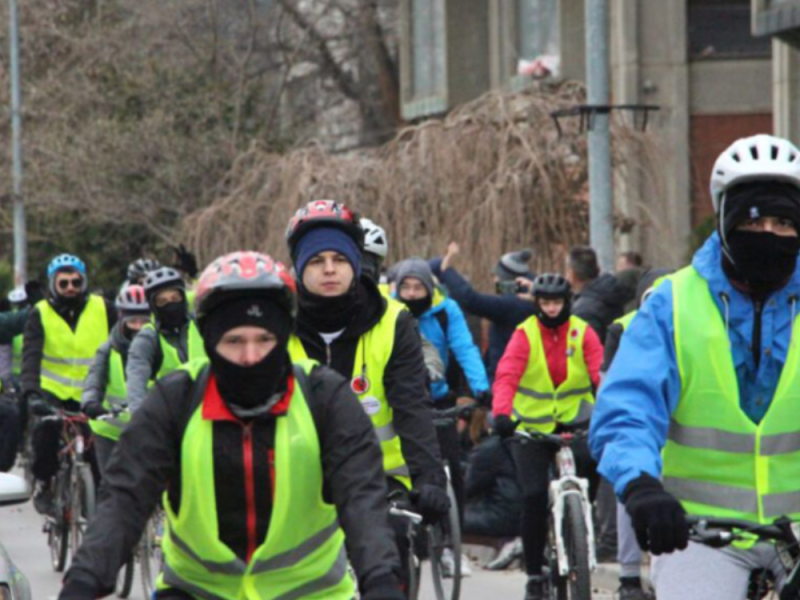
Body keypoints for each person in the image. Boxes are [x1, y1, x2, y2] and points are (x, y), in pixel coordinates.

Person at [57, 251, 405, 600]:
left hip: (308, 594)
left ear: (284, 337)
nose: (251, 356)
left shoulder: (324, 398)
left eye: (264, 340)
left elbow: (362, 497)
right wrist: (84, 579)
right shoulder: (176, 399)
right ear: (210, 341)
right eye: (234, 341)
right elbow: (125, 497)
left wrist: (381, 578)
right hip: (196, 592)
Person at [590, 134, 800, 600]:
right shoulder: (673, 302)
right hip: (697, 533)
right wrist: (641, 485)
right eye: (753, 219)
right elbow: (628, 404)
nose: (769, 234)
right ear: (724, 223)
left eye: (784, 222)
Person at [284, 200, 449, 590]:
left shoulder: (394, 322)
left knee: (388, 561)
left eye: (339, 259)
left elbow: (412, 407)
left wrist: (429, 480)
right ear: (298, 267)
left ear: (356, 264)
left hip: (381, 481)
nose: (329, 269)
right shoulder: (275, 324)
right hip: (295, 482)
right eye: (316, 260)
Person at [493, 273, 602, 600]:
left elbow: (601, 374)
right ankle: (534, 574)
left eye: (557, 302)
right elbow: (507, 375)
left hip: (576, 422)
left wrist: (611, 409)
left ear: (566, 302)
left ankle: (580, 525)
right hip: (533, 427)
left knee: (594, 472)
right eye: (546, 303)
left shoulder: (583, 333)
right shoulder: (525, 335)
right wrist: (502, 414)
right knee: (532, 497)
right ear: (538, 303)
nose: (552, 309)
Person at [597, 268, 670, 600]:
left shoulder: (691, 325)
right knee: (631, 489)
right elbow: (610, 388)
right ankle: (629, 574)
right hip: (638, 426)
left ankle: (662, 574)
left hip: (677, 431)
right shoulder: (622, 328)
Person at [22, 254, 116, 513]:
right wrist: (31, 393)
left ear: (84, 282)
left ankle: (97, 505)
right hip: (54, 394)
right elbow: (31, 357)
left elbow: (124, 346)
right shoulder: (39, 313)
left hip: (94, 393)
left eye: (76, 282)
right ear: (53, 285)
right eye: (64, 283)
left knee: (99, 451)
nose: (71, 288)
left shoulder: (103, 308)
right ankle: (44, 484)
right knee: (45, 435)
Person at [429, 242, 538, 380]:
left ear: (508, 279)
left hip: (510, 376)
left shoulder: (514, 304)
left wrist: (447, 271)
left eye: (497, 276)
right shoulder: (532, 294)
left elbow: (471, 300)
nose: (494, 280)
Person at [81, 283, 151, 476]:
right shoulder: (107, 350)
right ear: (121, 319)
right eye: (133, 321)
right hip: (111, 432)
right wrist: (90, 402)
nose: (138, 327)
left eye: (145, 321)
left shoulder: (158, 347)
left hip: (150, 430)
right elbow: (94, 379)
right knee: (112, 487)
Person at [125, 266, 206, 412]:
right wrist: (140, 419)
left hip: (208, 407)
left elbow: (209, 293)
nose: (170, 305)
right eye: (162, 302)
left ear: (183, 298)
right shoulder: (147, 338)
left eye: (175, 299)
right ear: (153, 306)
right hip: (170, 417)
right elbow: (136, 377)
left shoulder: (202, 324)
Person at [567, 245, 634, 343]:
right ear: (598, 269)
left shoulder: (583, 311)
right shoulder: (616, 291)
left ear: (572, 274)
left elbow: (589, 349)